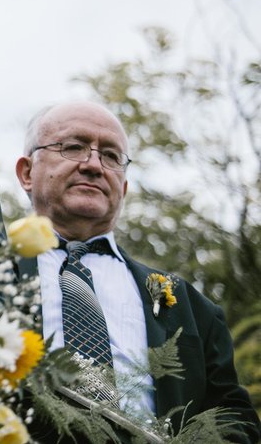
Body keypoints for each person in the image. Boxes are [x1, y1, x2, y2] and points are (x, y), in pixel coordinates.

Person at [15, 101, 260, 442]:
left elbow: (233, 415)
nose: (93, 165)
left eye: (112, 156)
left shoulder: (191, 305)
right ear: (27, 173)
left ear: (124, 188)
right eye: (73, 147)